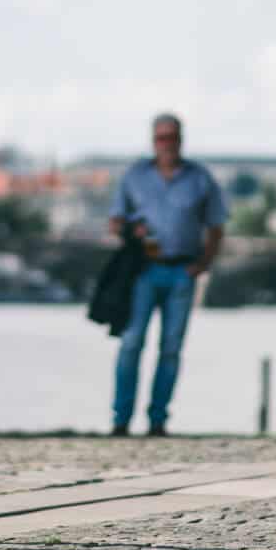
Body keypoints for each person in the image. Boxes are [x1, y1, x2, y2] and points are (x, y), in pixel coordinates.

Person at [107, 113, 227, 437]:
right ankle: (121, 419)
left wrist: (203, 263)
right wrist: (132, 229)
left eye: (172, 138)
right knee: (131, 343)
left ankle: (157, 419)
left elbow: (216, 226)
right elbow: (115, 222)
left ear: (181, 140)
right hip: (143, 272)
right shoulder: (134, 176)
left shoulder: (200, 179)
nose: (167, 145)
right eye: (161, 138)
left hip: (182, 273)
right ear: (153, 142)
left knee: (171, 348)